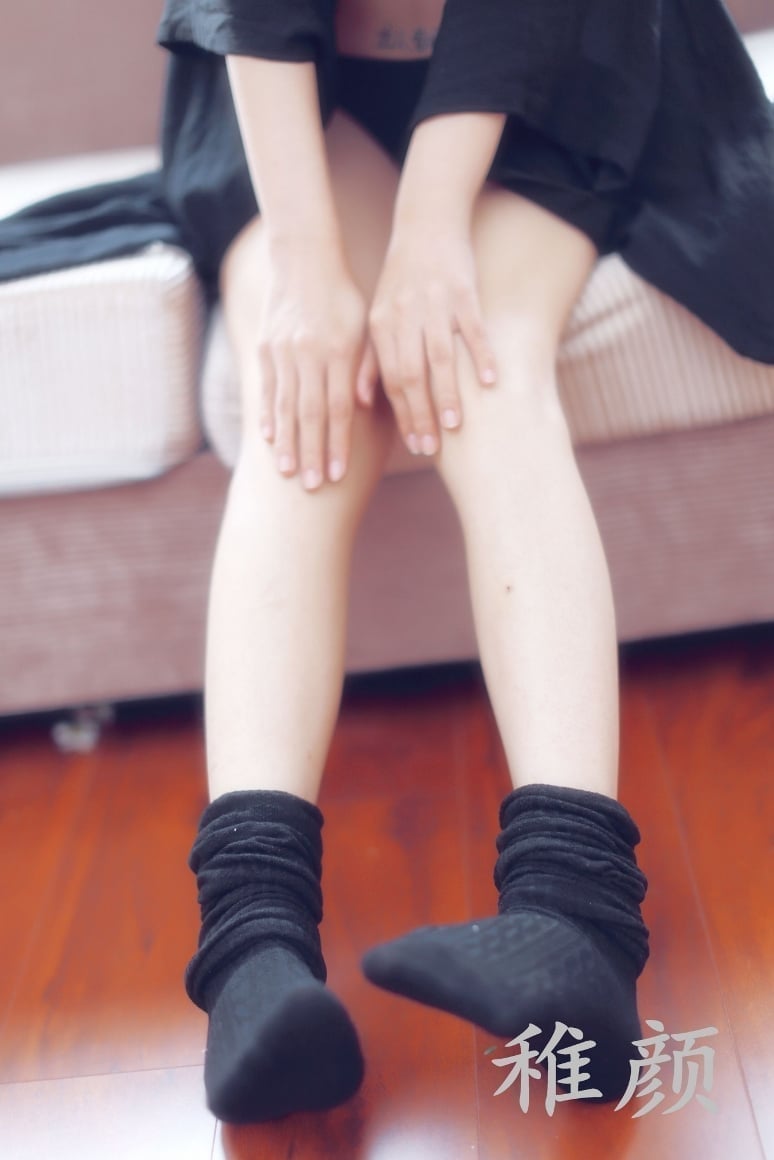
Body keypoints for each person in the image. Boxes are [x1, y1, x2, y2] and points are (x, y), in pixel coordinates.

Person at [2, 0, 772, 1127]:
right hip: (301, 87)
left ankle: (579, 920)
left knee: (482, 365)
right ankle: (253, 944)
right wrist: (308, 269)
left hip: (553, 63)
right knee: (302, 404)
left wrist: (431, 229)